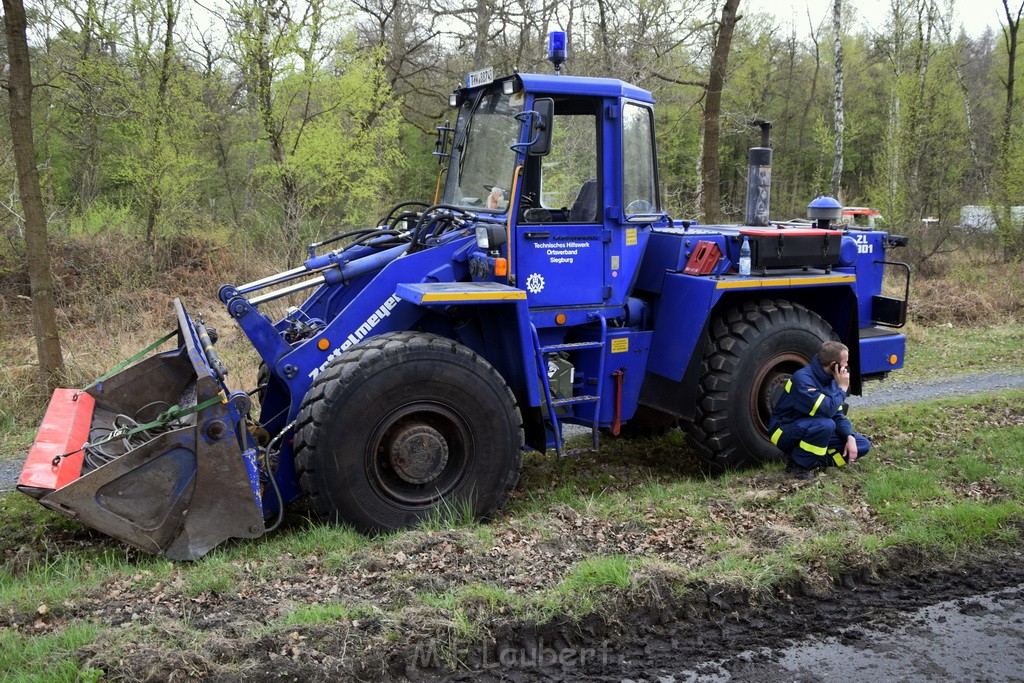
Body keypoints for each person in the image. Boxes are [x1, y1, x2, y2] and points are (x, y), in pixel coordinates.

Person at [768, 340, 871, 480]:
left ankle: (809, 459)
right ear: (834, 365)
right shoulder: (803, 379)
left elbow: (837, 415)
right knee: (825, 424)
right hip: (784, 430)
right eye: (844, 362)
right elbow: (826, 411)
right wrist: (842, 389)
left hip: (812, 428)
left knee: (862, 445)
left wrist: (849, 436)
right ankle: (798, 466)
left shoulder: (833, 380)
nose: (846, 366)